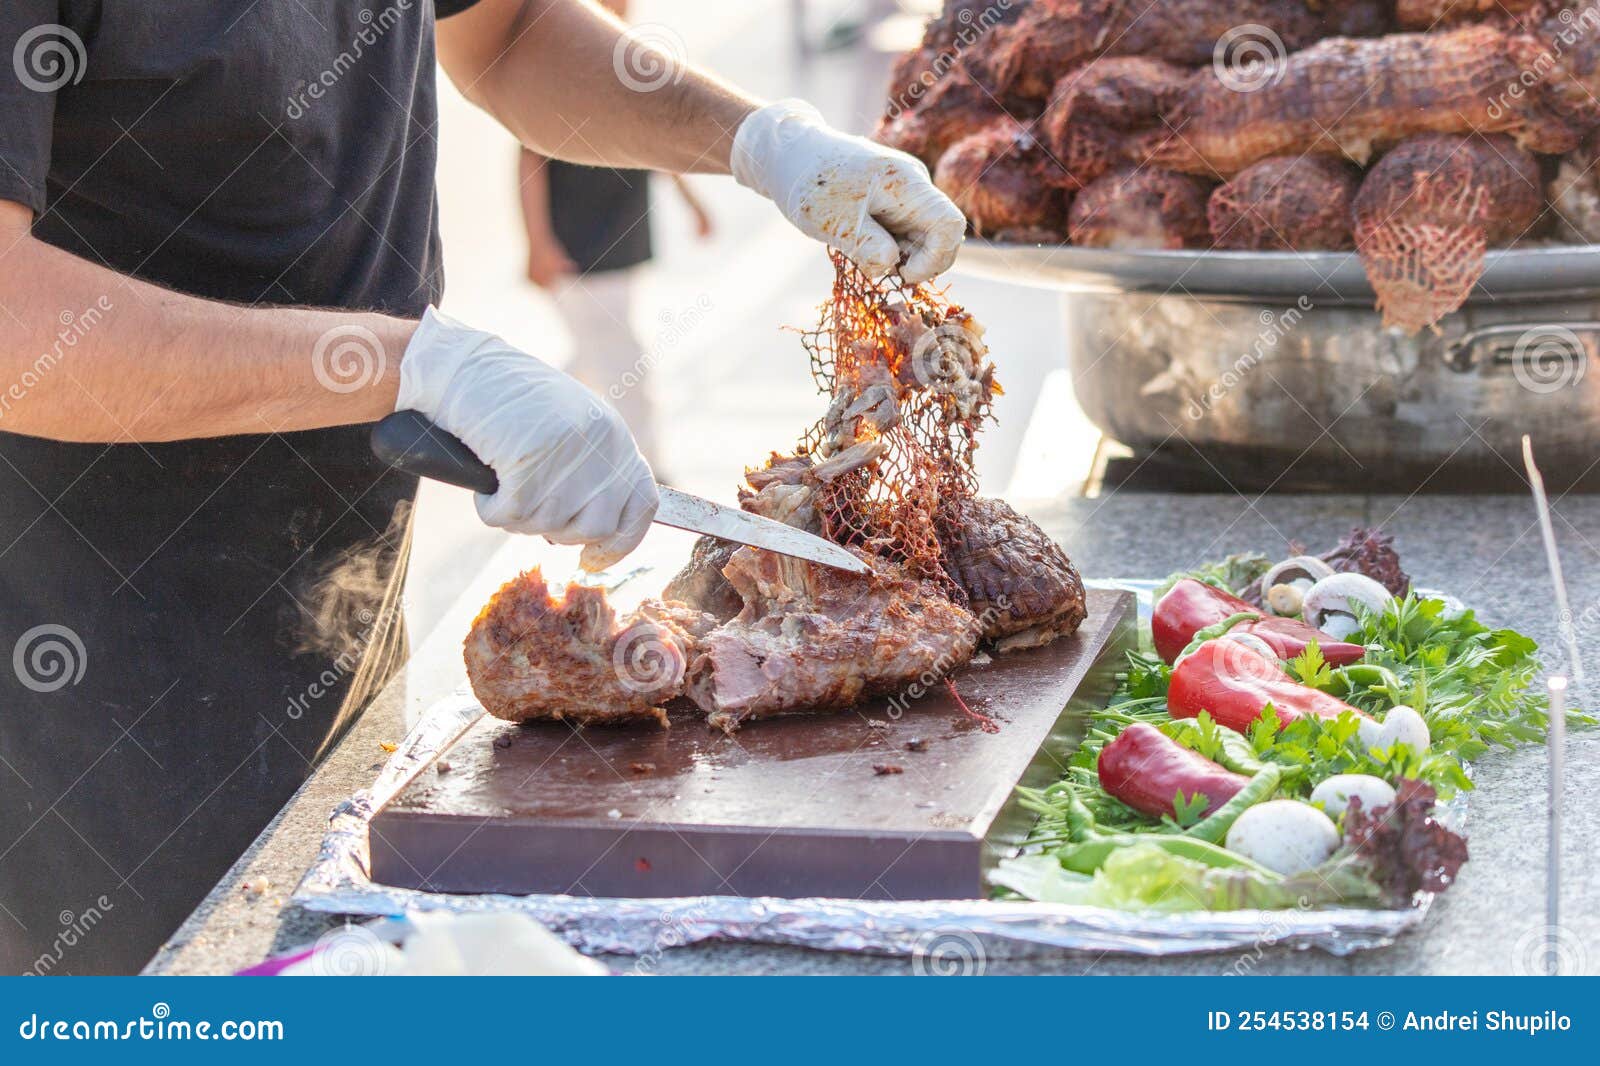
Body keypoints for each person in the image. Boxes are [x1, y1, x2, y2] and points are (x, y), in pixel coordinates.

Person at [0, 1, 964, 973]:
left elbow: (509, 36)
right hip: (73, 664)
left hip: (330, 610)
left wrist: (760, 140)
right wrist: (412, 365)